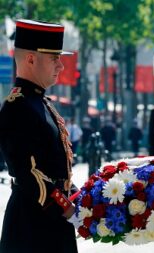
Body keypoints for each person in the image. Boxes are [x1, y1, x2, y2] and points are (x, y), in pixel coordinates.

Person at [0, 19, 79, 253]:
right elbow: (29, 173)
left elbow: (56, 169)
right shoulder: (17, 106)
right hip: (31, 229)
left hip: (52, 223)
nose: (61, 66)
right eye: (54, 58)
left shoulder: (41, 103)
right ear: (31, 59)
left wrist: (83, 197)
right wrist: (67, 206)